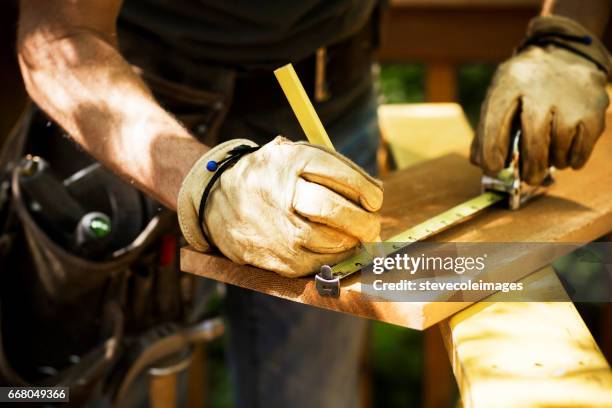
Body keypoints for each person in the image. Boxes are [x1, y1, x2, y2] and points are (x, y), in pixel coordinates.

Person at [13, 0, 611, 406]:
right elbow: (57, 38)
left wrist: (567, 36)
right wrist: (207, 178)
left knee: (311, 397)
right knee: (82, 389)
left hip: (333, 102)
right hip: (135, 125)